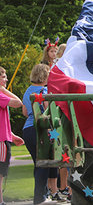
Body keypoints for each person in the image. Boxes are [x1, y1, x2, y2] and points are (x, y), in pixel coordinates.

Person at [22, 63, 65, 204]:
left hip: (27, 129)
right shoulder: (45, 90)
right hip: (41, 130)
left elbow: (24, 112)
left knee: (38, 164)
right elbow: (48, 111)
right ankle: (39, 198)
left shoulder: (28, 91)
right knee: (44, 163)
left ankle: (40, 195)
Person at [0, 65, 24, 205]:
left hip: (5, 136)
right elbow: (18, 103)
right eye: (3, 77)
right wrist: (3, 90)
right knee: (1, 172)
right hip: (1, 140)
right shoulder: (1, 95)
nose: (6, 79)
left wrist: (12, 136)